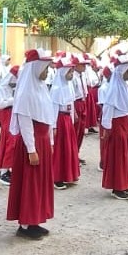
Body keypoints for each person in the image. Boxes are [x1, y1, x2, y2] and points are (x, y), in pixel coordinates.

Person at [6, 48, 55, 240]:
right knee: (30, 183)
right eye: (45, 68)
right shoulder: (26, 92)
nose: (47, 72)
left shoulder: (41, 88)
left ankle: (35, 219)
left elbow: (47, 117)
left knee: (40, 183)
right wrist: (32, 149)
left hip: (42, 141)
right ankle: (25, 225)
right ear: (36, 68)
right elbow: (25, 122)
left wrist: (50, 141)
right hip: (32, 143)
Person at [100, 54, 128, 200]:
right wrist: (106, 128)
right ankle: (117, 186)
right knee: (119, 155)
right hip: (117, 125)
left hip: (126, 122)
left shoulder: (126, 85)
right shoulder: (114, 88)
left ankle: (127, 182)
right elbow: (108, 108)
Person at [50, 56, 80, 190]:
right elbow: (54, 109)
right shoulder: (56, 89)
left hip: (67, 120)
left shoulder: (69, 86)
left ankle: (69, 174)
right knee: (60, 149)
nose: (71, 74)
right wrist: (54, 126)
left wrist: (73, 117)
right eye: (69, 71)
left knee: (69, 148)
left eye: (72, 71)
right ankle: (57, 177)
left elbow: (71, 104)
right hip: (60, 120)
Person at [0, 65, 19, 186]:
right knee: (10, 143)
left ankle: (8, 169)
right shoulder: (2, 88)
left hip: (13, 115)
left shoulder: (13, 87)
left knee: (12, 143)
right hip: (6, 115)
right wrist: (13, 100)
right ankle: (3, 172)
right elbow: (0, 104)